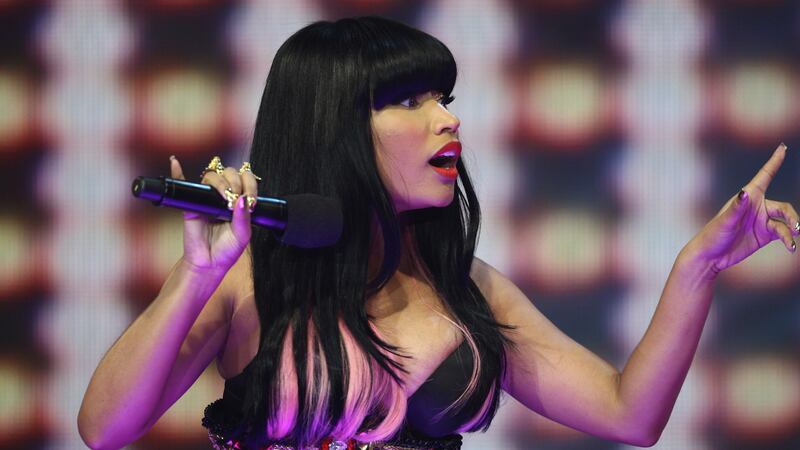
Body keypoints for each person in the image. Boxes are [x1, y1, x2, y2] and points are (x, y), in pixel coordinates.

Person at [77, 16, 799, 450]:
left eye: (444, 98)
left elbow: (629, 414)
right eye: (408, 101)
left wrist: (699, 268)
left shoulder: (466, 286)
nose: (448, 119)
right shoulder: (246, 277)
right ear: (333, 126)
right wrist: (195, 276)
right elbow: (103, 429)